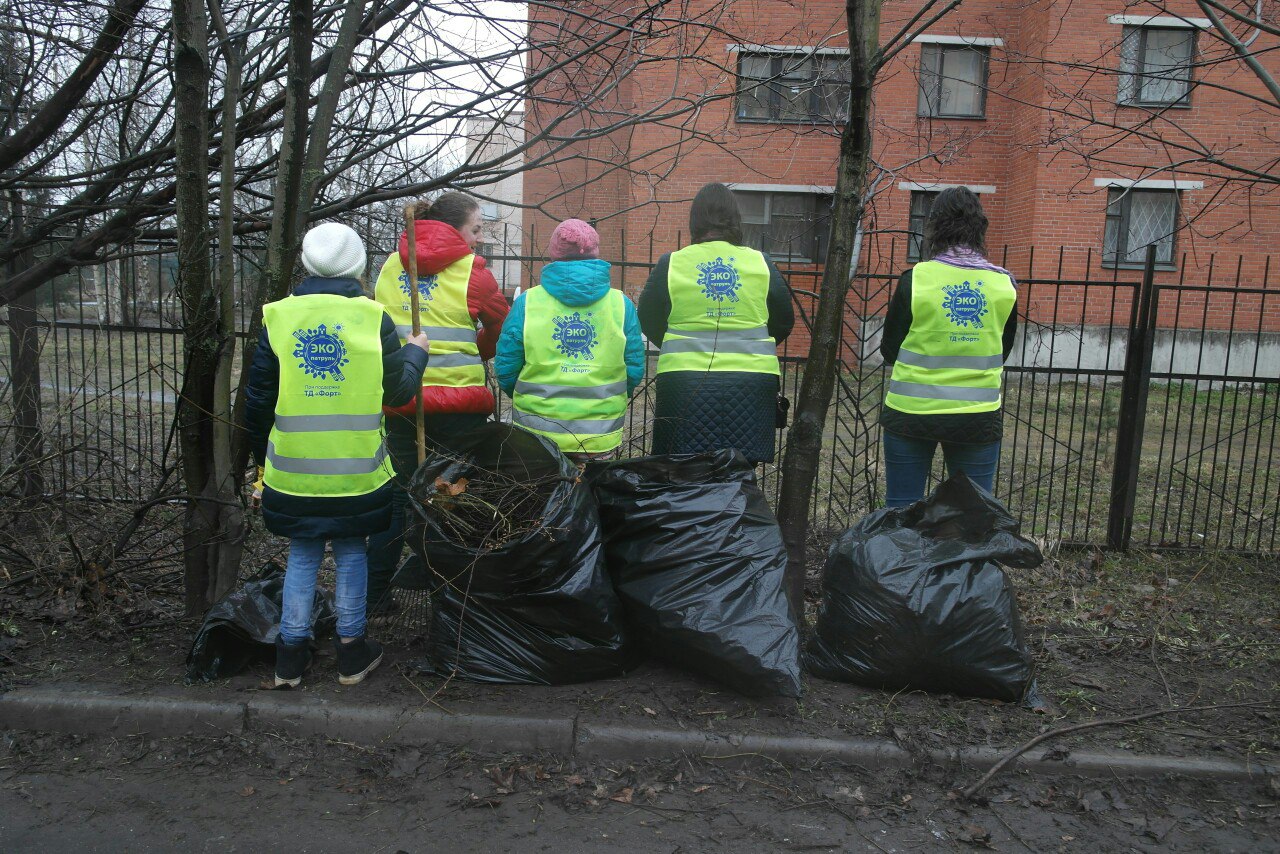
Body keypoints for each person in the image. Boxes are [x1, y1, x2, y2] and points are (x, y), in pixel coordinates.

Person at [243, 222, 430, 687]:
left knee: (302, 556)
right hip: (357, 473)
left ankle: (290, 657)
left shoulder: (279, 317)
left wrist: (260, 461)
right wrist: (416, 353)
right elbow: (401, 390)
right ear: (358, 265)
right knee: (351, 554)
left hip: (293, 471)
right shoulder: (373, 317)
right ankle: (351, 652)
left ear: (307, 263)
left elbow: (258, 398)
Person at [366, 192, 509, 614]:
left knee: (395, 500)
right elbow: (499, 326)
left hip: (402, 402)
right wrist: (475, 352)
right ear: (454, 230)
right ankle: (456, 598)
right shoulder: (474, 273)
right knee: (457, 497)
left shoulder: (391, 268)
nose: (480, 239)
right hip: (461, 410)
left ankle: (375, 598)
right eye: (476, 229)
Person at [879, 186, 1019, 507]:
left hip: (911, 413)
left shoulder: (915, 279)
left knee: (903, 508)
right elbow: (1003, 350)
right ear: (980, 228)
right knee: (971, 513)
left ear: (935, 226)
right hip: (977, 416)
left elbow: (890, 350)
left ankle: (906, 559)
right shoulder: (1002, 285)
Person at [638, 182, 794, 464]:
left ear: (695, 220)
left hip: (684, 383)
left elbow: (648, 318)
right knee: (740, 477)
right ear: (735, 219)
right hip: (751, 383)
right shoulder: (761, 263)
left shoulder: (672, 263)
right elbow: (783, 321)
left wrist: (678, 344)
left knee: (683, 476)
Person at [495, 219, 645, 462]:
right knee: (593, 494)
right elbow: (635, 368)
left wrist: (529, 399)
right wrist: (609, 400)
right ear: (595, 253)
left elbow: (506, 367)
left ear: (554, 254)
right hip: (599, 433)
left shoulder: (528, 302)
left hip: (536, 432)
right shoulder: (621, 304)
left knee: (539, 497)